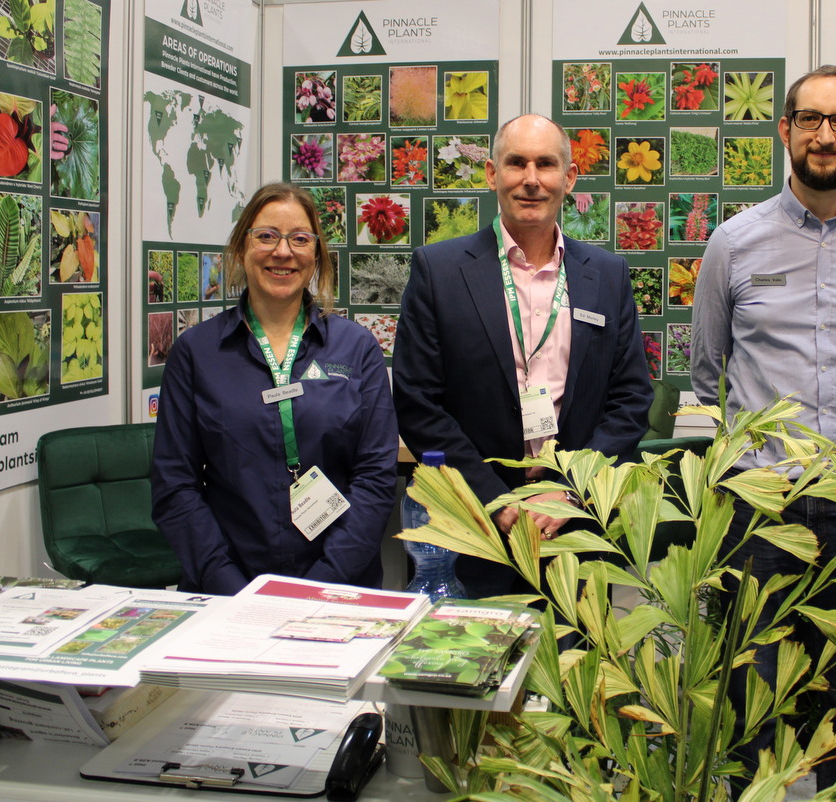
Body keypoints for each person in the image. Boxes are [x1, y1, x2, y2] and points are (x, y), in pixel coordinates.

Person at [690, 65, 836, 790]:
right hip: (759, 506)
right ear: (785, 130)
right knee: (751, 695)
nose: (826, 135)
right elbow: (707, 370)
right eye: (811, 120)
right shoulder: (734, 243)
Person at [393, 114, 652, 598]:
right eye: (516, 163)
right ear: (492, 174)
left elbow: (631, 399)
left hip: (575, 531)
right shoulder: (439, 271)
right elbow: (418, 401)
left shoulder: (607, 274)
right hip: (473, 529)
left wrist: (570, 490)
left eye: (546, 164)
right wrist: (495, 499)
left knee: (575, 645)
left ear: (569, 178)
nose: (531, 179)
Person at [152, 183, 398, 594]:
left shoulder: (356, 348)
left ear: (316, 255)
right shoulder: (196, 352)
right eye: (266, 236)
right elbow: (175, 485)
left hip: (339, 587)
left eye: (300, 239)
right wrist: (231, 589)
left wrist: (320, 587)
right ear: (240, 248)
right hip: (228, 588)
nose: (283, 252)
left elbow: (375, 478)